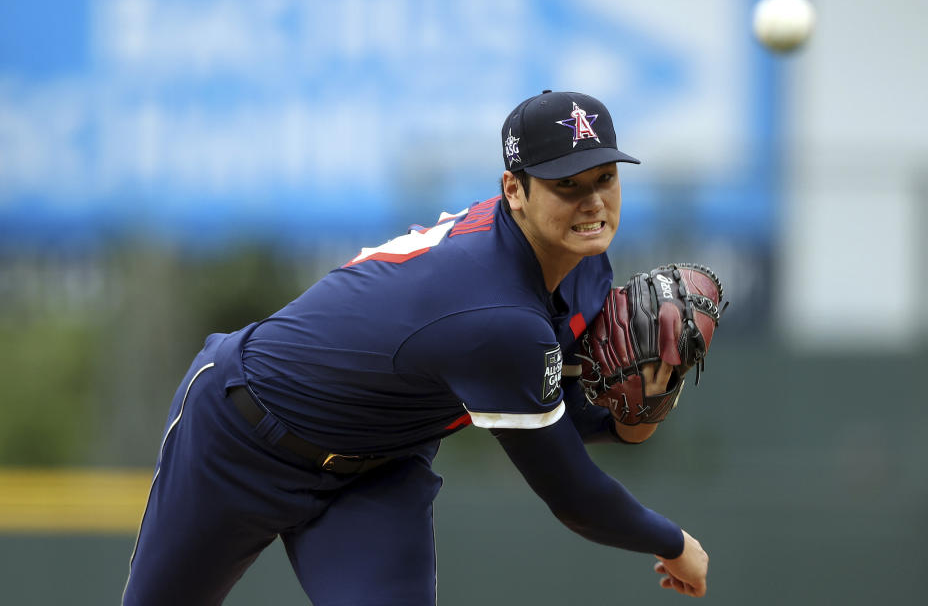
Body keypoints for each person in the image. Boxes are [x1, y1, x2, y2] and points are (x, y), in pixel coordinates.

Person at [122, 90, 710, 605]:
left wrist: (635, 414)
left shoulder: (583, 268)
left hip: (379, 468)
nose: (592, 203)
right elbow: (572, 492)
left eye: (604, 177)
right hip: (239, 436)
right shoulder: (495, 314)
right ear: (515, 190)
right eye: (566, 185)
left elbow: (542, 406)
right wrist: (672, 542)